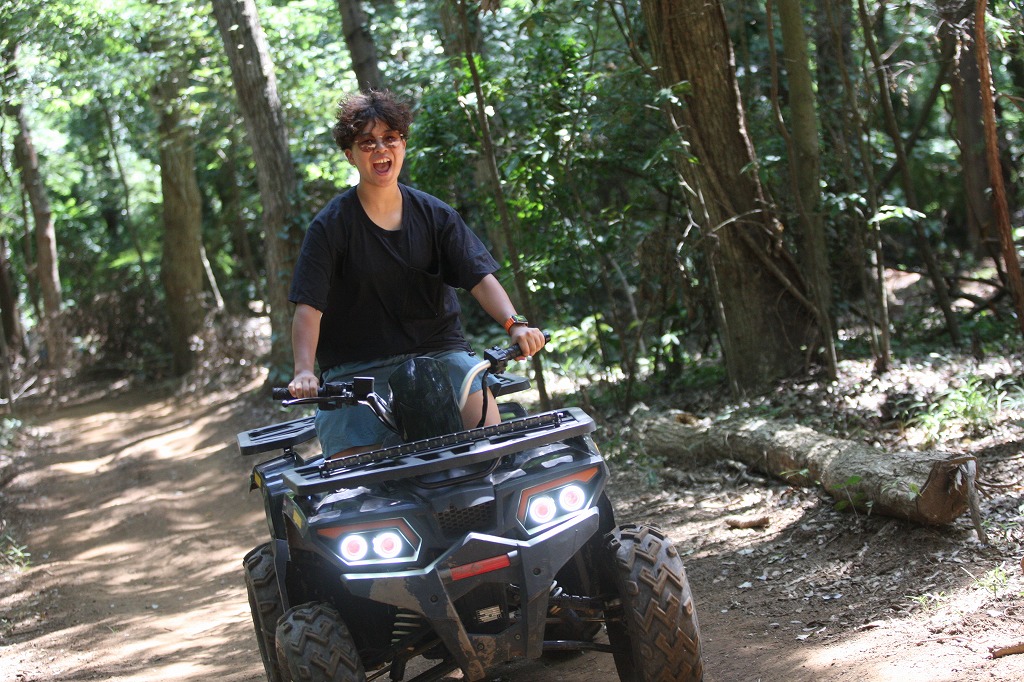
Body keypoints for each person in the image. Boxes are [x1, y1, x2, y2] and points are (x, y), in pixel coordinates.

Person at [287, 89, 545, 458]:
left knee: (492, 448)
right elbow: (308, 307)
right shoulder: (330, 226)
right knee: (352, 478)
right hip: (356, 372)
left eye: (390, 138)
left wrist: (515, 324)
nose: (380, 149)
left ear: (403, 145)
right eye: (367, 142)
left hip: (440, 355)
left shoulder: (436, 215)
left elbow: (479, 278)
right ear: (350, 155)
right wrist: (303, 371)